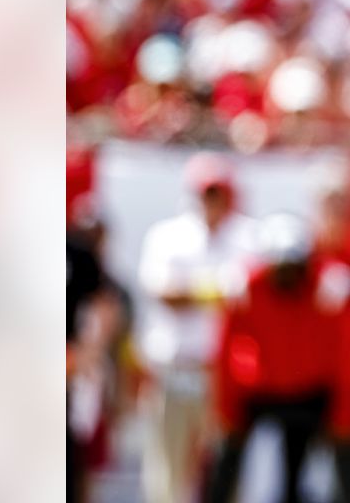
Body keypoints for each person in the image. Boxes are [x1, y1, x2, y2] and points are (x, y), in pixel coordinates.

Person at [207, 213, 350, 503]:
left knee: (317, 468)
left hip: (310, 393)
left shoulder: (330, 288)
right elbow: (225, 351)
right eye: (281, 265)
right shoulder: (246, 286)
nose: (288, 273)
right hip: (260, 390)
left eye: (295, 264)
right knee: (226, 460)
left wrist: (345, 416)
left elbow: (346, 356)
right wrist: (226, 410)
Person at [136, 152, 260, 503]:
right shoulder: (168, 236)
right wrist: (216, 290)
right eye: (206, 193)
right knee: (169, 473)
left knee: (225, 471)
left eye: (218, 192)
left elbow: (251, 302)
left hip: (224, 374)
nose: (212, 201)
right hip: (175, 368)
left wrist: (195, 290)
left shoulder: (248, 236)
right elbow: (164, 295)